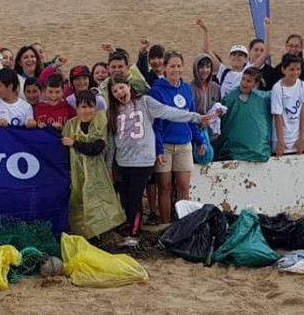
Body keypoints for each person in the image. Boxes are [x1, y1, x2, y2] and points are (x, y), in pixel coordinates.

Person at [106, 74, 216, 242]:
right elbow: (112, 141)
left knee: (135, 198)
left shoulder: (145, 102)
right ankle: (131, 228)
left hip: (142, 160)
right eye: (115, 91)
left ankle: (134, 234)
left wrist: (197, 117)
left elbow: (168, 112)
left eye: (121, 87)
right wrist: (109, 166)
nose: (119, 92)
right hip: (123, 161)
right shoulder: (112, 111)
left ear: (129, 86)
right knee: (126, 199)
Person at [149, 51, 207, 224]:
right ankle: (166, 225)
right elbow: (156, 124)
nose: (176, 70)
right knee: (165, 188)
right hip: (165, 146)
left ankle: (184, 226)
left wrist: (199, 140)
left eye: (178, 66)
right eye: (172, 66)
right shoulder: (156, 91)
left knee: (183, 186)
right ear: (165, 68)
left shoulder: (186, 88)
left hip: (184, 145)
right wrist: (158, 148)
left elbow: (191, 117)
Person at [61, 90, 125, 239]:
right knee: (80, 204)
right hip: (77, 174)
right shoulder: (70, 125)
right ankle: (85, 236)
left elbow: (97, 147)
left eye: (91, 107)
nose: (87, 111)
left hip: (98, 172)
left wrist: (75, 143)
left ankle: (106, 236)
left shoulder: (100, 121)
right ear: (77, 108)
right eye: (83, 107)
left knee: (101, 202)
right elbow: (63, 150)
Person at [219, 68, 271, 161]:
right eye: (243, 79)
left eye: (248, 81)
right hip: (232, 152)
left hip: (258, 151)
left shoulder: (262, 99)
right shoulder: (230, 99)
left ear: (255, 84)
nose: (244, 83)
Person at [271, 54, 304, 156]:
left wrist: (302, 138)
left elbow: (303, 114)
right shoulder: (277, 88)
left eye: (298, 69)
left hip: (297, 139)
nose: (295, 72)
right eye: (291, 69)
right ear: (283, 70)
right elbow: (278, 116)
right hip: (281, 139)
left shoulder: (303, 86)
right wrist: (281, 141)